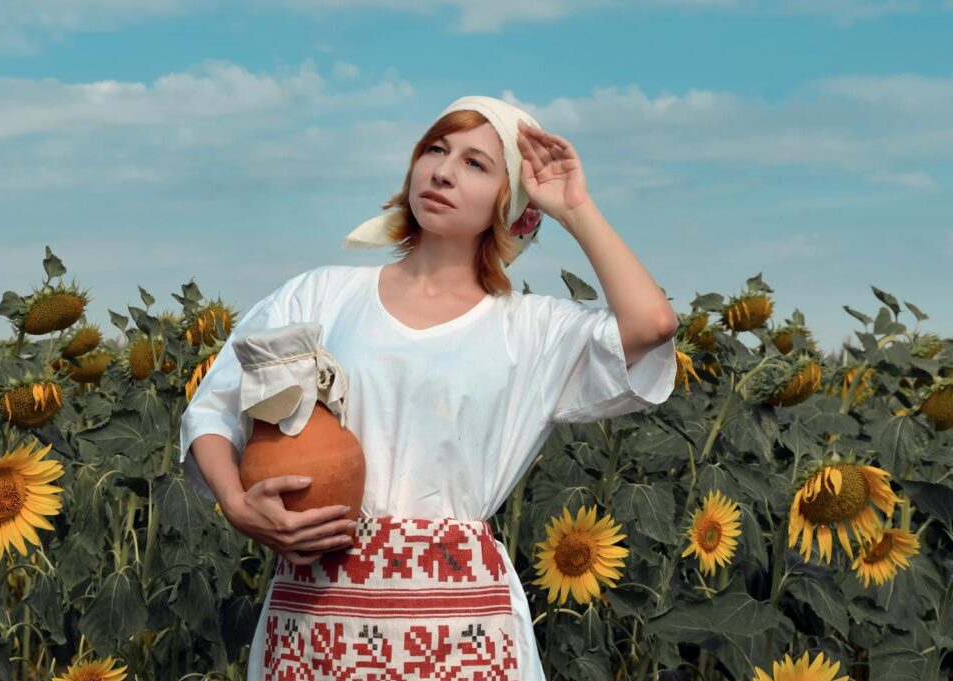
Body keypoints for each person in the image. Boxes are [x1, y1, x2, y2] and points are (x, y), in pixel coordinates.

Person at [179, 95, 679, 680]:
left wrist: (576, 208)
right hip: (316, 613)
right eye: (435, 150)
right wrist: (239, 507)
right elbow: (214, 408)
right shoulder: (321, 296)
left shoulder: (530, 329)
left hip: (464, 626)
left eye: (476, 164)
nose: (442, 170)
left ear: (510, 201)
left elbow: (652, 325)